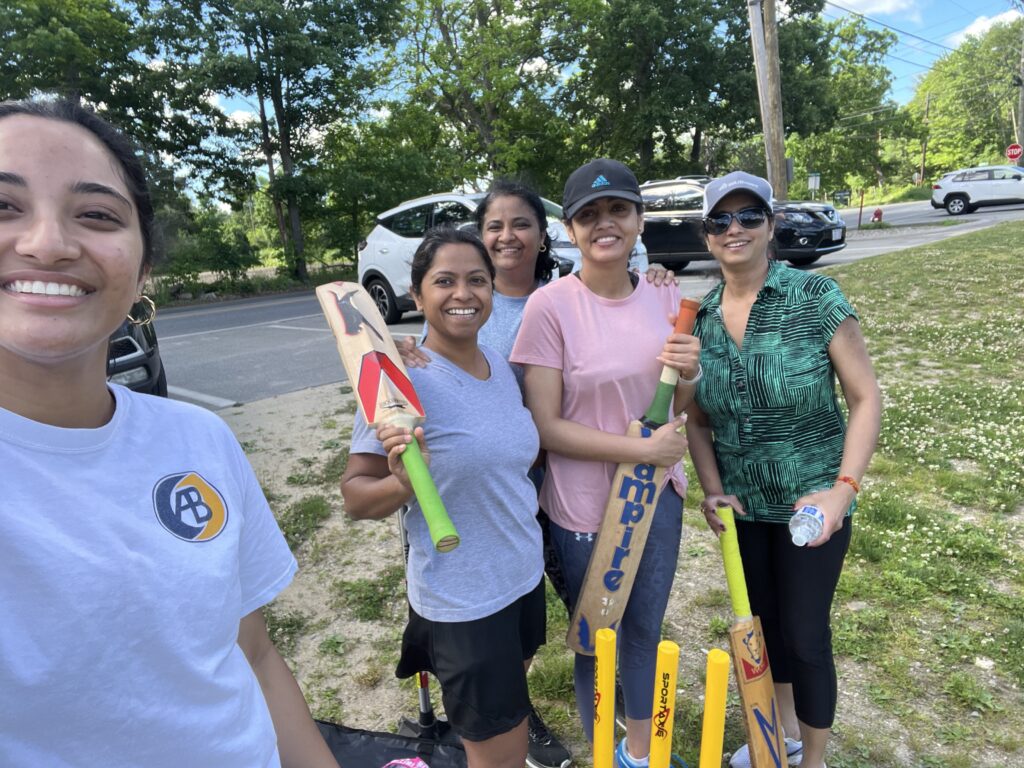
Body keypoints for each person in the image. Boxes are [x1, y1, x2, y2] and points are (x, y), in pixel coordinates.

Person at [0, 99, 338, 767]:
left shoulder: (198, 439)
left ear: (144, 269)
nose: (47, 243)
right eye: (4, 206)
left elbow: (254, 653)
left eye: (96, 215)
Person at [398, 179, 674, 768]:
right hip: (486, 506)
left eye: (520, 223)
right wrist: (396, 352)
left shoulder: (547, 303)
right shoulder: (446, 331)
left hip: (531, 499)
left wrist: (655, 285)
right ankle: (499, 729)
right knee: (543, 637)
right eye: (493, 225)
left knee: (529, 624)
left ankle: (516, 724)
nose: (507, 236)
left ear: (544, 233)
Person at [685, 172, 881, 768]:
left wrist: (842, 491)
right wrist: (712, 490)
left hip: (811, 505)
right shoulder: (701, 317)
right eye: (720, 221)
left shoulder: (815, 297)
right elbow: (694, 419)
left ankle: (814, 760)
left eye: (748, 217)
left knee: (804, 633)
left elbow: (866, 398)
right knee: (763, 632)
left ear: (771, 225)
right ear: (707, 235)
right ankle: (782, 737)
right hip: (743, 507)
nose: (734, 229)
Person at [510, 158, 701, 768]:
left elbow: (679, 403)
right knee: (597, 640)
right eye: (588, 215)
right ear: (570, 229)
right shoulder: (549, 306)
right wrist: (639, 450)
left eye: (618, 209)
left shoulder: (666, 296)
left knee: (645, 631)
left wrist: (691, 372)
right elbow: (545, 426)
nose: (605, 224)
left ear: (640, 219)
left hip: (657, 497)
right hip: (584, 504)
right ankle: (600, 751)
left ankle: (639, 754)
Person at [341, 227, 545, 768]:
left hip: (522, 578)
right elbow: (356, 497)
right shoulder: (396, 382)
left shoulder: (500, 367)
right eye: (445, 281)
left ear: (493, 290)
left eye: (477, 280)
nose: (463, 294)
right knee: (501, 753)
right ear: (417, 294)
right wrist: (402, 484)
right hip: (464, 603)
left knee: (504, 724)